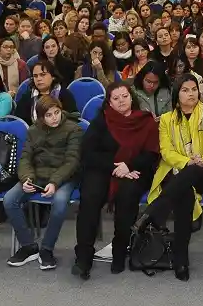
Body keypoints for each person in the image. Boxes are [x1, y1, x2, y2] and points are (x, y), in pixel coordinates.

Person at [137, 76, 203, 281]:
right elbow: (166, 152)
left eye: (194, 89)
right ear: (177, 96)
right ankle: (181, 260)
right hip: (177, 172)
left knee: (193, 174)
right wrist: (187, 162)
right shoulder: (167, 119)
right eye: (185, 90)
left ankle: (154, 212)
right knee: (184, 195)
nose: (191, 94)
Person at [72, 80, 160, 278]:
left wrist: (129, 166)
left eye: (125, 96)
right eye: (116, 98)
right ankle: (84, 256)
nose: (121, 101)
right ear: (109, 102)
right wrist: (115, 167)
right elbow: (88, 153)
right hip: (105, 168)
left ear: (132, 98)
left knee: (127, 194)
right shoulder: (102, 120)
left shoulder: (145, 120)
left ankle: (120, 250)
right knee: (90, 197)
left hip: (137, 169)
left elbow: (152, 154)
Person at [5, 95, 83, 271]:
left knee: (60, 204)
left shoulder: (74, 129)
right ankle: (28, 246)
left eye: (56, 112)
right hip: (37, 175)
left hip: (65, 177)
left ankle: (46, 249)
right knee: (10, 200)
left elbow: (72, 161)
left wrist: (55, 182)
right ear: (41, 117)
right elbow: (25, 159)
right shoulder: (33, 130)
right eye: (49, 115)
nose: (54, 117)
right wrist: (27, 179)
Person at [15, 60, 77, 125]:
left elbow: (73, 119)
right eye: (35, 76)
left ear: (53, 77)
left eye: (42, 75)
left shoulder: (64, 94)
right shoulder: (27, 97)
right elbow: (20, 123)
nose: (38, 79)